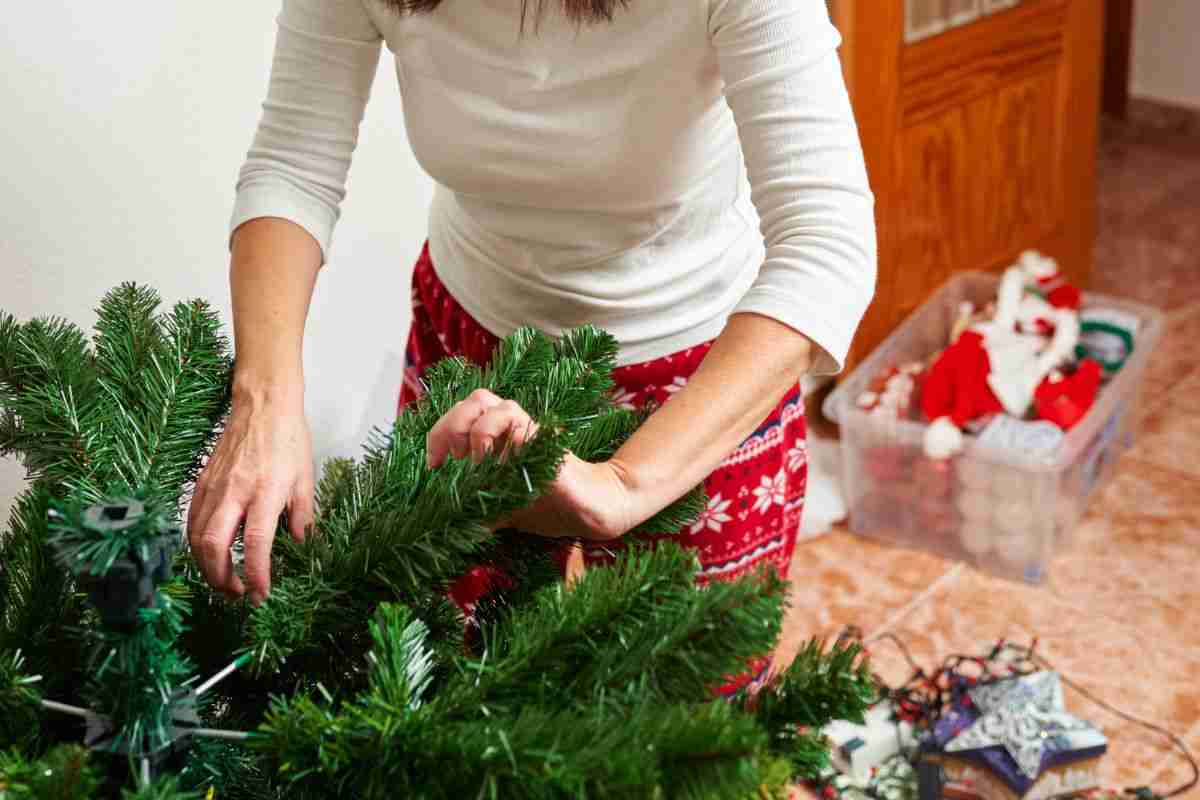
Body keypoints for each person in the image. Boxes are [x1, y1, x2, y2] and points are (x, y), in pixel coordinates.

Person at [188, 0, 876, 612]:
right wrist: (265, 401)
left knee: (683, 700)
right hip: (470, 350)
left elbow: (826, 245)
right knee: (441, 664)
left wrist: (625, 486)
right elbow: (292, 167)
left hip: (699, 379)